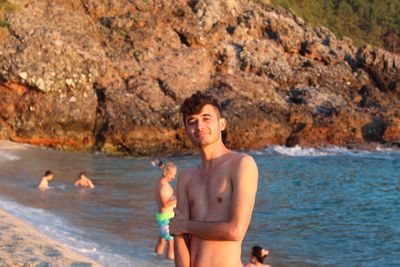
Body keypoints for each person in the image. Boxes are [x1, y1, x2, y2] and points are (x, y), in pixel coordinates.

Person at [170, 91, 259, 267]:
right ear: (187, 130)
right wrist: (182, 228)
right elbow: (179, 235)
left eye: (206, 118)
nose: (199, 125)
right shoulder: (186, 176)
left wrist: (187, 225)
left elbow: (235, 231)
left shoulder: (241, 164)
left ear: (222, 124)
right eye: (192, 121)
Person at [155, 161, 178, 260]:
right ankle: (169, 261)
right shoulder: (164, 186)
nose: (173, 177)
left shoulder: (161, 183)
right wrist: (178, 199)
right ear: (165, 173)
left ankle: (155, 260)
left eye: (174, 175)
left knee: (162, 241)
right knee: (172, 244)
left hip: (164, 217)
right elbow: (165, 205)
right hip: (167, 218)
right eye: (172, 175)